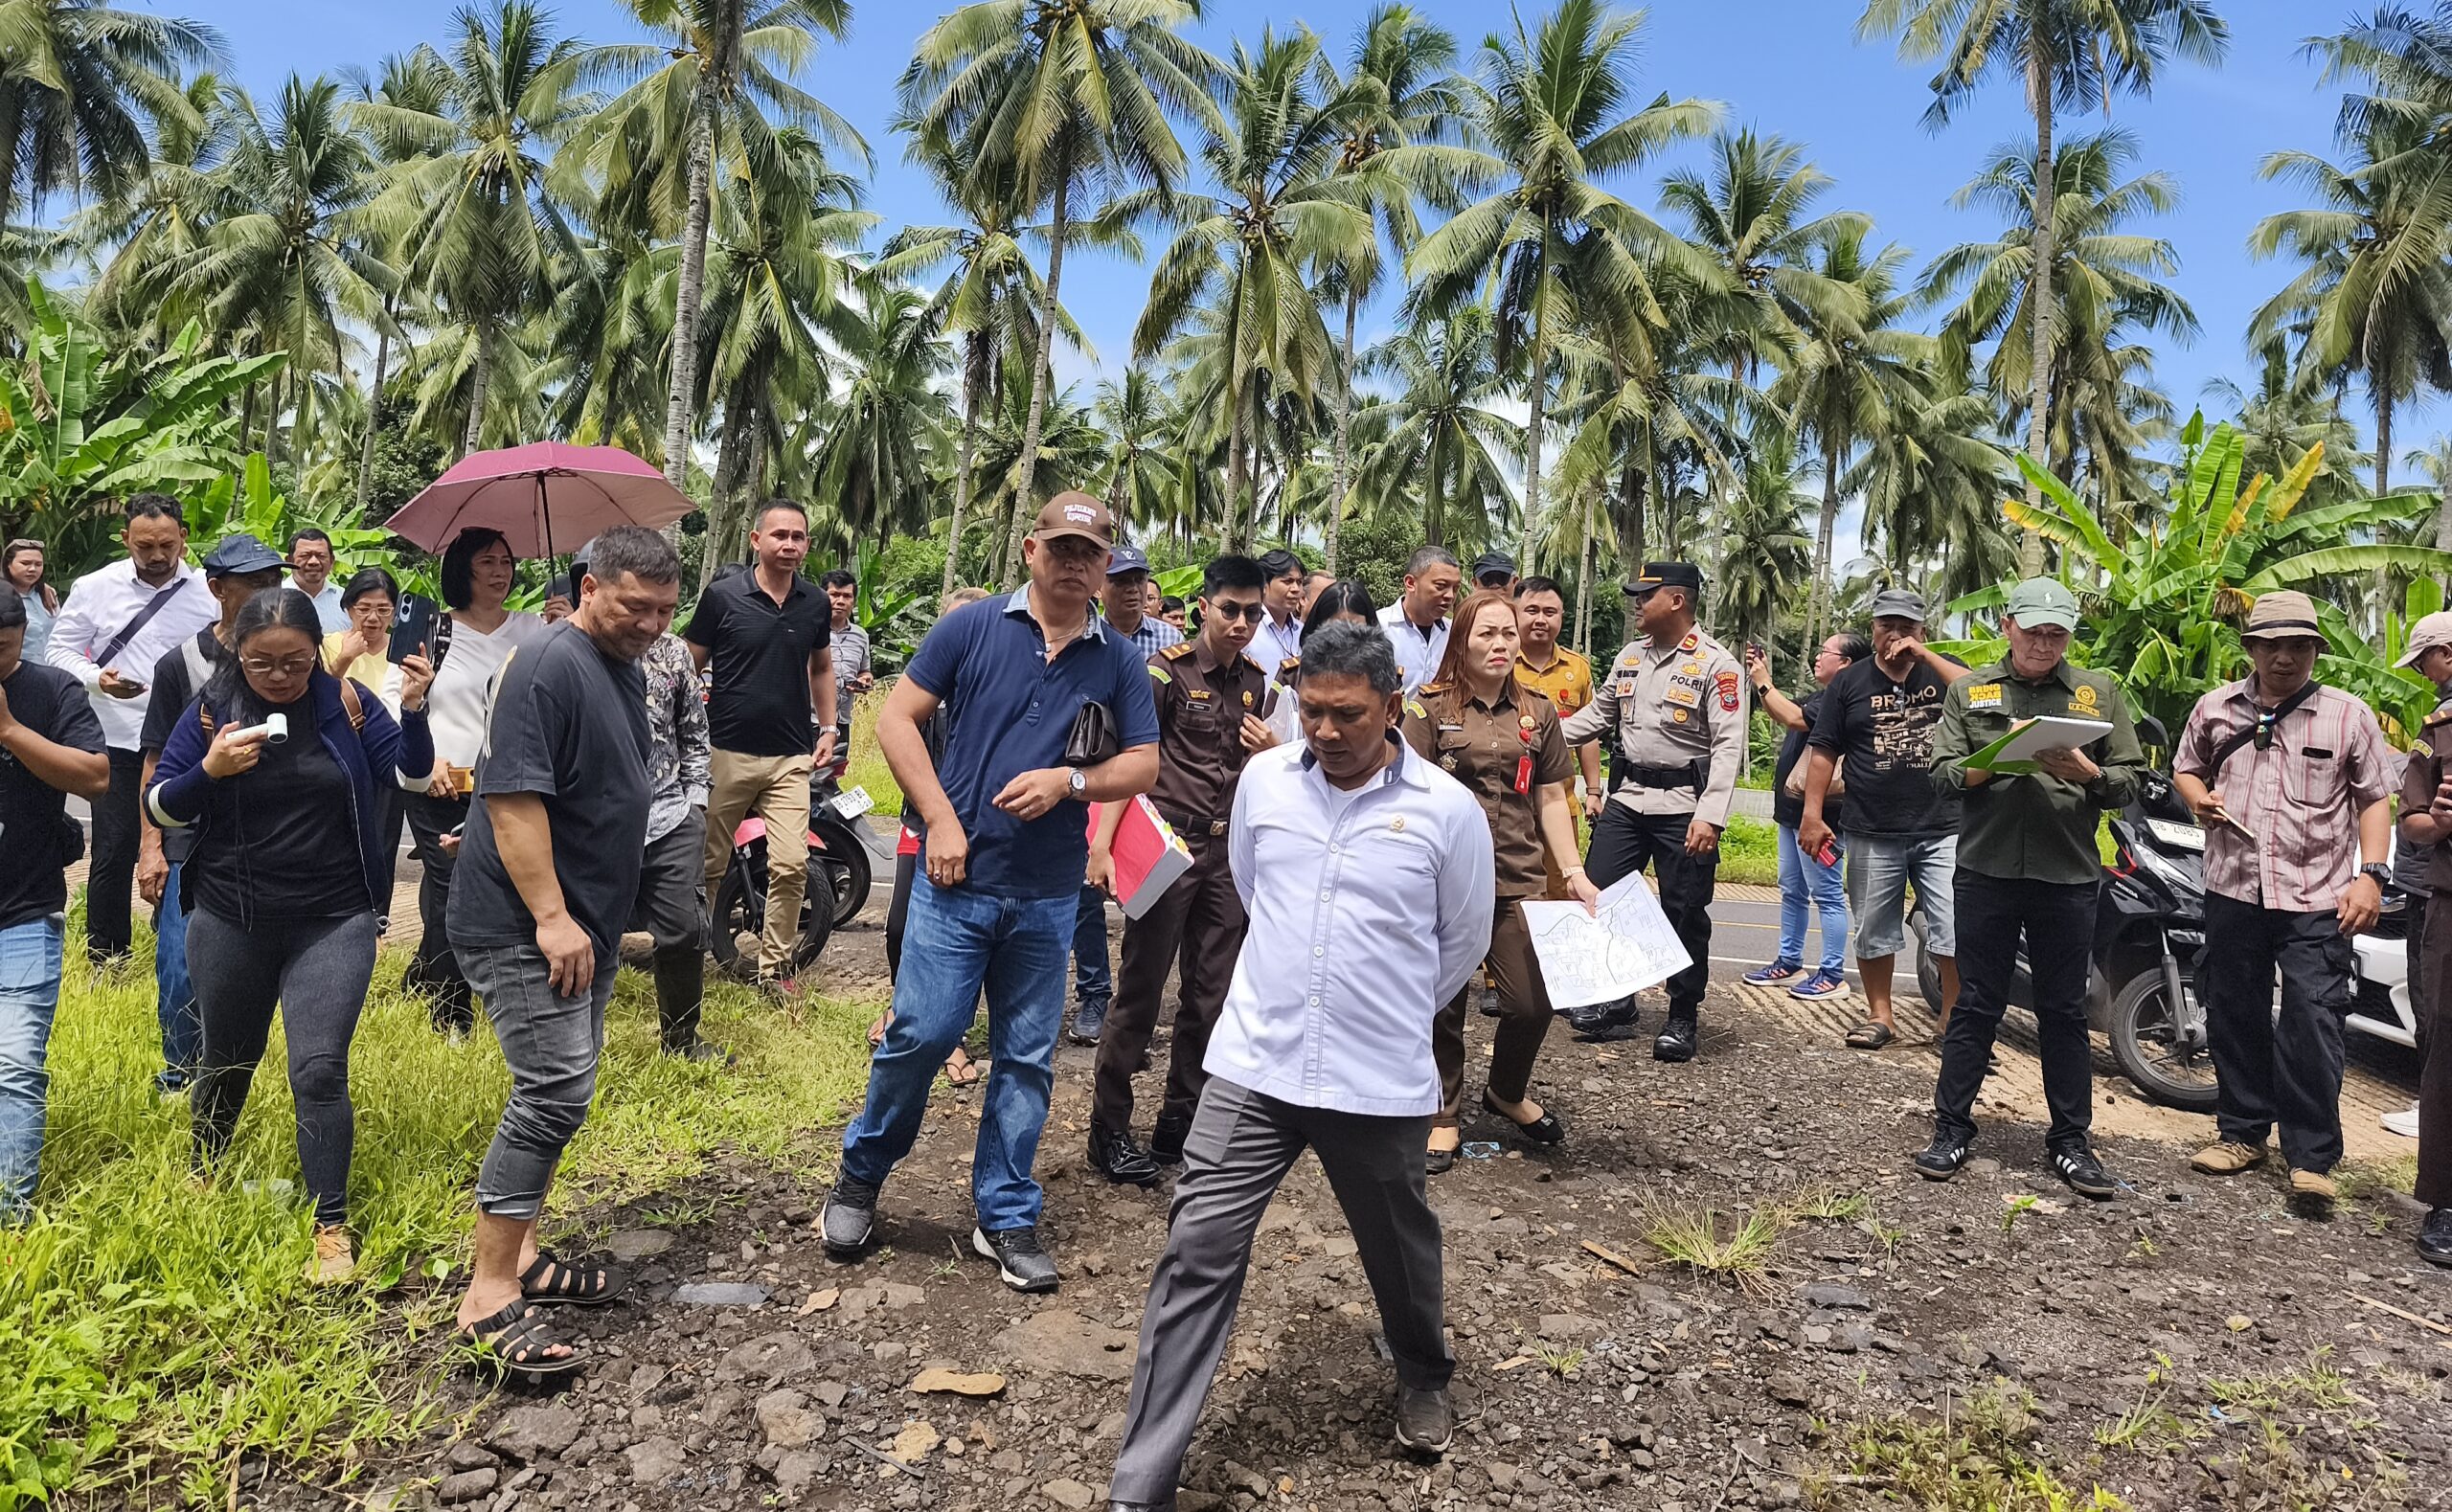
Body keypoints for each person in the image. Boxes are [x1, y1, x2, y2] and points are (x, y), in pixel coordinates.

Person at [1104, 621, 1492, 1510]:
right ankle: (1143, 1479)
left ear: (1391, 707)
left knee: (1398, 1246)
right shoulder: (1265, 785)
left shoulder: (1445, 812)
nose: (1323, 730)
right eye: (1310, 710)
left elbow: (1460, 943)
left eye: (1346, 714)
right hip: (1256, 1064)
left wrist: (1375, 1009)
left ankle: (1424, 1373)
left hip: (1375, 1077)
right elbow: (1248, 883)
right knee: (1195, 1251)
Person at [822, 492, 1159, 1294]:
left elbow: (1142, 762)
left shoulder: (1117, 658)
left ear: (1107, 563)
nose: (1077, 562)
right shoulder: (971, 628)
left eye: (1093, 551)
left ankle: (1004, 1211)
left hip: (1045, 896)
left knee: (1028, 1060)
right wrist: (940, 817)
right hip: (957, 882)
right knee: (921, 1035)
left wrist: (1069, 781)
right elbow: (898, 721)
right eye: (1063, 547)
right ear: (1030, 550)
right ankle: (860, 1175)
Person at [148, 588, 434, 1280]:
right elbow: (162, 804)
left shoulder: (345, 705)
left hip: (331, 916)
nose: (279, 677)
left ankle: (330, 1224)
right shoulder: (212, 708)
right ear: (236, 653)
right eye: (261, 663)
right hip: (229, 916)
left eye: (297, 662)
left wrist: (417, 710)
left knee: (318, 1067)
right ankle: (204, 1170)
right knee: (228, 1057)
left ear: (321, 652)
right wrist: (209, 770)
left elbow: (414, 775)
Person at [447, 527, 679, 1372]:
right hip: (525, 923)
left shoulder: (618, 665)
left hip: (585, 919)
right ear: (588, 586)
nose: (651, 623)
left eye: (663, 609)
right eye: (633, 606)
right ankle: (488, 1294)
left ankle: (528, 1254)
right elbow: (511, 799)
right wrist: (550, 914)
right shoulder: (549, 664)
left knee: (567, 1087)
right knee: (552, 1089)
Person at [1919, 577, 2145, 1199]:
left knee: (2063, 1011)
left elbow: (2131, 781)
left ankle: (2071, 1142)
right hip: (1986, 872)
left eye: (2057, 633)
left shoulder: (2098, 693)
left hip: (2067, 876)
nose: (2045, 643)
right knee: (1975, 1005)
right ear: (2008, 625)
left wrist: (2090, 771)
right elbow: (1940, 776)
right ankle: (1951, 1128)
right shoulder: (1971, 690)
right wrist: (1992, 757)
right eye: (2035, 630)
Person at [2171, 591, 2391, 1214]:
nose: (2285, 656)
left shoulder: (2348, 716)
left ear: (2316, 649)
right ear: (2251, 649)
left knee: (2312, 1019)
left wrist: (2371, 875)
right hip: (2233, 887)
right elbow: (2186, 767)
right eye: (2272, 643)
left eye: (2299, 644)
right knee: (2233, 1008)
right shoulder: (2215, 708)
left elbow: (2375, 797)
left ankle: (2311, 1157)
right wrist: (2197, 797)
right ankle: (2242, 1132)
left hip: (2317, 895)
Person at [1085, 554, 1276, 1186]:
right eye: (1231, 610)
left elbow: (1256, 777)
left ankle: (1180, 1123)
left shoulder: (1256, 682)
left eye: (1254, 612)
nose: (1243, 623)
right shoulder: (1162, 673)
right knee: (1139, 992)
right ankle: (1109, 1130)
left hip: (1227, 859)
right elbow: (1130, 762)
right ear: (1203, 607)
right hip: (1168, 851)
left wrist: (1270, 753)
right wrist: (1104, 846)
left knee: (1211, 997)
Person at [1402, 590, 1598, 1174]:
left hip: (1516, 876)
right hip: (1444, 883)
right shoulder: (1428, 709)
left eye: (1507, 634)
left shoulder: (1539, 711)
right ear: (1461, 639)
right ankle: (1442, 1113)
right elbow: (1406, 794)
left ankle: (1505, 1093)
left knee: (1532, 1003)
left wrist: (1573, 872)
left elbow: (1549, 798)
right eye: (1486, 633)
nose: (1500, 644)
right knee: (1444, 1005)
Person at [1559, 563, 1745, 1059]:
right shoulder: (1630, 656)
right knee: (1596, 897)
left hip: (1685, 806)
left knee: (1683, 911)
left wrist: (1711, 816)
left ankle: (1683, 1014)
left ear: (1677, 601)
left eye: (1646, 595)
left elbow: (1729, 746)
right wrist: (1537, 736)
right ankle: (1616, 999)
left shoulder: (1717, 665)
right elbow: (1599, 716)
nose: (1636, 604)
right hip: (1628, 799)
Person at [135, 534, 286, 1097]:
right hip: (191, 839)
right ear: (217, 589)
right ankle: (179, 1074)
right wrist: (151, 848)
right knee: (179, 966)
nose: (269, 591)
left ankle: (223, 1077)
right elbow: (154, 761)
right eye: (255, 582)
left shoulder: (295, 654)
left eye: (275, 579)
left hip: (269, 837)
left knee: (241, 973)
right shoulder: (182, 664)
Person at [45, 494, 217, 966]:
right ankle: (107, 956)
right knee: (114, 850)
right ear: (125, 540)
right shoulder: (94, 587)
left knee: (187, 843)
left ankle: (173, 944)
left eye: (167, 544)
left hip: (187, 743)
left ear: (184, 537)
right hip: (117, 739)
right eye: (145, 547)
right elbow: (59, 652)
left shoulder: (209, 591)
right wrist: (97, 679)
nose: (158, 556)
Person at [403, 528, 559, 1035]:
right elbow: (395, 702)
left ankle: (510, 1000)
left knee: (515, 893)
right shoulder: (432, 630)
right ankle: (451, 1019)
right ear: (462, 570)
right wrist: (431, 762)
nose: (500, 571)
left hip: (513, 787)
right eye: (487, 562)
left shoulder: (535, 629)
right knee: (453, 897)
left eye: (506, 561)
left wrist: (567, 632)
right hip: (445, 787)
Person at [1800, 591, 1973, 1035]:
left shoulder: (1942, 670)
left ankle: (1953, 1019)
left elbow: (1984, 697)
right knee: (1874, 928)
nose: (1895, 636)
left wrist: (1925, 655)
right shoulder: (1849, 682)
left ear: (1922, 631)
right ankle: (1881, 1016)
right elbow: (1823, 750)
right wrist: (1812, 815)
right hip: (1872, 827)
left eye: (1907, 628)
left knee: (1954, 927)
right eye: (1886, 626)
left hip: (1943, 826)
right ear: (1873, 629)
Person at [686, 501, 835, 992]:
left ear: (807, 545)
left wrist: (829, 728)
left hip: (791, 756)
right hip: (724, 751)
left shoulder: (815, 603)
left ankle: (774, 970)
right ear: (756, 540)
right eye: (780, 535)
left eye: (798, 536)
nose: (789, 544)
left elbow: (821, 667)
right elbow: (689, 664)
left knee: (792, 862)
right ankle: (687, 959)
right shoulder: (722, 597)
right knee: (705, 864)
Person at [0, 583, 109, 1219]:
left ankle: (11, 1212)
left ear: (22, 636)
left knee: (14, 1063)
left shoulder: (50, 691)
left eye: (3, 648)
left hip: (24, 908)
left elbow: (96, 776)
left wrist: (12, 730)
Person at [1069, 544, 1181, 1046]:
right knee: (1084, 891)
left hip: (1151, 783)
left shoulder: (1171, 641)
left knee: (1150, 888)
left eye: (1139, 581)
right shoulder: (1083, 638)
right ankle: (1095, 992)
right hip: (1087, 777)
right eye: (1121, 582)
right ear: (1101, 588)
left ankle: (1139, 1007)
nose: (1133, 591)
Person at [879, 587, 990, 1087]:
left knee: (968, 939)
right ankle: (903, 1011)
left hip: (980, 832)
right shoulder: (925, 695)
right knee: (901, 926)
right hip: (920, 824)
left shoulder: (999, 695)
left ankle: (955, 1036)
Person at [1747, 630, 1867, 1002]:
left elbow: (1793, 718)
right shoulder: (1821, 695)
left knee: (1827, 895)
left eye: (1825, 652)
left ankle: (1832, 973)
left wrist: (1763, 682)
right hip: (1793, 813)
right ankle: (1789, 961)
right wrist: (1762, 679)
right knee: (1792, 890)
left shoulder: (1842, 697)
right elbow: (1780, 711)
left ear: (1845, 663)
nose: (1818, 657)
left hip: (1822, 819)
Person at [2393, 609, 2452, 1266]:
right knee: (2446, 1043)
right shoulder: (2437, 731)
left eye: (2427, 661)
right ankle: (2445, 1201)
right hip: (2448, 900)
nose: (2428, 676)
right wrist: (2432, 821)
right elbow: (2412, 819)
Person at [322, 568, 411, 926]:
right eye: (363, 608)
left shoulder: (404, 650)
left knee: (383, 837)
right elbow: (317, 694)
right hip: (340, 754)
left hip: (387, 752)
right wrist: (344, 659)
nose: (373, 618)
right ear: (348, 608)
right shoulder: (328, 643)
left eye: (383, 609)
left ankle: (379, 915)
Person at [1512, 575, 1607, 835]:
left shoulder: (1578, 668)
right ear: (1514, 613)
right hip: (1508, 804)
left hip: (1562, 802)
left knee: (1563, 874)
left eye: (1550, 612)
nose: (1541, 619)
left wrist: (1593, 792)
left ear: (1561, 616)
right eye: (1532, 611)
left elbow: (1588, 736)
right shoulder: (1500, 663)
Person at [1264, 578, 1377, 746]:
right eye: (1336, 629)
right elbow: (1269, 728)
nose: (1345, 638)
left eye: (1356, 630)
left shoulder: (1382, 677)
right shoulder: (1293, 675)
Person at [1377, 547, 1460, 694]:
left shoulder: (1455, 633)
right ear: (1410, 583)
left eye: (1455, 588)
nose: (1450, 595)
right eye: (1441, 586)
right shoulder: (1378, 627)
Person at [819, 568, 872, 767]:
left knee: (834, 773)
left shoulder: (860, 636)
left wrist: (865, 680)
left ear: (854, 602)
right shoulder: (811, 630)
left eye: (847, 596)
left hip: (843, 719)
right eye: (834, 595)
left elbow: (864, 670)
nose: (840, 601)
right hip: (812, 720)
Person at [1250, 549, 1306, 670]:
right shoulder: (1248, 630)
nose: (1296, 589)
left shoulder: (1302, 631)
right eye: (1288, 581)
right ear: (1263, 584)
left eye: (1299, 582)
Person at [4, 540, 57, 664]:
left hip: (52, 673)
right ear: (8, 564)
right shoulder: (4, 598)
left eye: (38, 564)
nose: (32, 569)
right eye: (25, 563)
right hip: (14, 674)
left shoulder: (48, 595)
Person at [287, 529, 348, 633]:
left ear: (332, 561)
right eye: (305, 556)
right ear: (289, 561)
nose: (313, 562)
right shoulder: (273, 599)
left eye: (321, 556)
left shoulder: (346, 600)